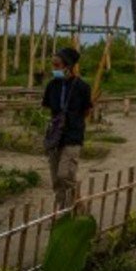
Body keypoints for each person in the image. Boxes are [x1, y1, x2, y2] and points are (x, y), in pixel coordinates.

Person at [42, 47, 92, 209]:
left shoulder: (82, 87)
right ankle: (63, 211)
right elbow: (50, 109)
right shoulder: (51, 86)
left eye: (57, 65)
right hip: (56, 137)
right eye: (53, 65)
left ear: (68, 66)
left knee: (66, 175)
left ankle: (73, 210)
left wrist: (73, 122)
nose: (54, 69)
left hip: (73, 135)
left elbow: (86, 111)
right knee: (56, 180)